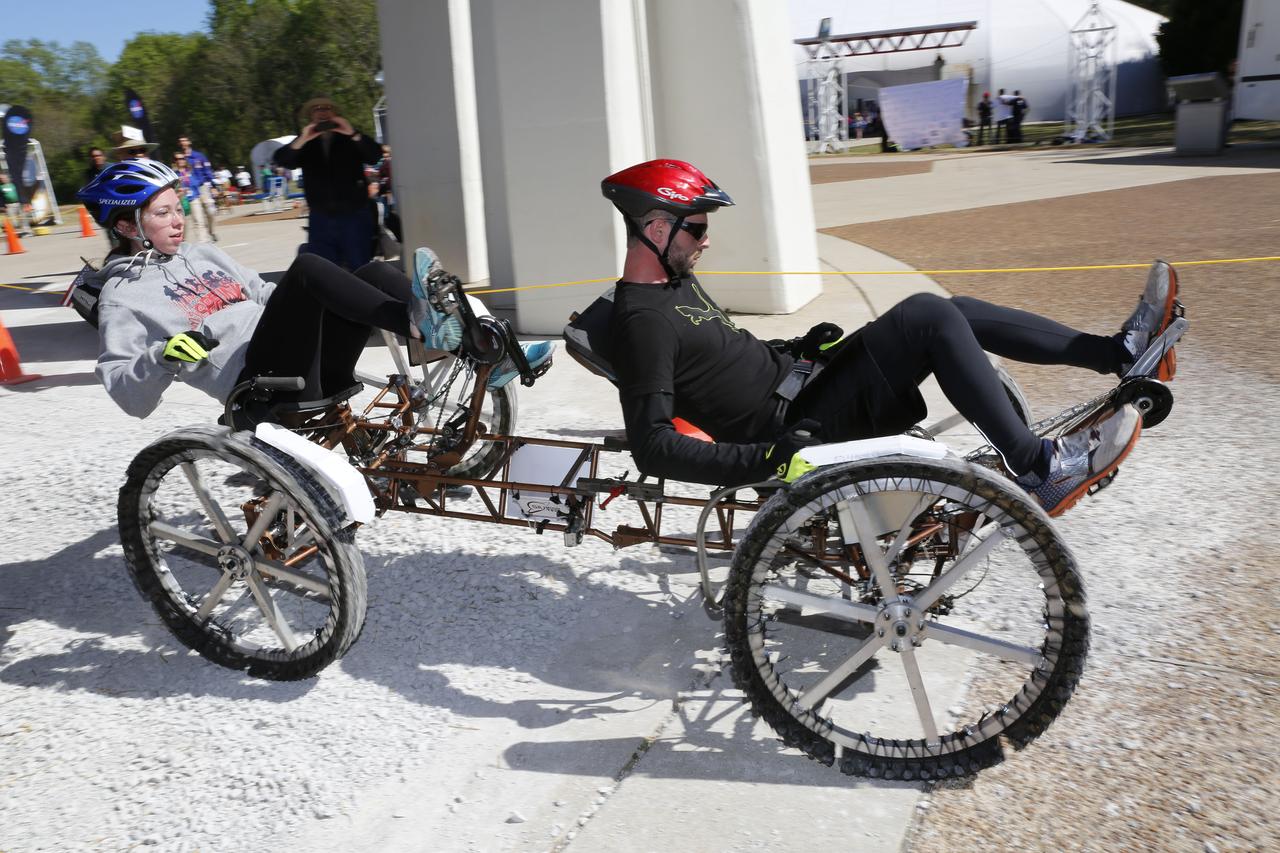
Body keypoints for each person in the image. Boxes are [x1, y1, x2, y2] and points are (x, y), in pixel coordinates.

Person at [596, 160, 1180, 517]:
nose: (705, 240)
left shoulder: (678, 284)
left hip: (806, 387)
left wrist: (798, 347)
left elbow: (723, 362)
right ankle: (1038, 468)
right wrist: (767, 460)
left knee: (954, 310)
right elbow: (652, 445)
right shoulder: (643, 322)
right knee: (926, 316)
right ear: (654, 227)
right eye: (696, 227)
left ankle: (1118, 353)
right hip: (794, 430)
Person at [75, 159, 547, 420]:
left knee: (373, 273)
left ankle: (485, 349)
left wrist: (307, 301)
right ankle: (419, 324)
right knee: (307, 269)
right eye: (162, 213)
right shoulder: (123, 297)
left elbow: (261, 296)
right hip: (259, 389)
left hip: (306, 361)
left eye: (178, 208)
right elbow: (125, 393)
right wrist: (162, 357)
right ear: (126, 224)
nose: (178, 220)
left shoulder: (202, 257)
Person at [273, 96, 383, 269]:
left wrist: (353, 133)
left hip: (354, 215)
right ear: (311, 116)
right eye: (316, 109)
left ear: (335, 113)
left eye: (327, 108)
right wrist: (303, 138)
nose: (322, 112)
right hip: (321, 217)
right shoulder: (305, 143)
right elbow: (282, 160)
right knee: (326, 271)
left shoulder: (350, 138)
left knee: (360, 266)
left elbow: (375, 155)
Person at [178, 135, 218, 241]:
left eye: (184, 141)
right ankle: (202, 239)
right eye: (180, 142)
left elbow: (208, 171)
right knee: (196, 216)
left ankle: (211, 231)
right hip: (189, 190)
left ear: (189, 142)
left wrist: (213, 186)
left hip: (202, 186)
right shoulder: (180, 158)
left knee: (210, 211)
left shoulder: (199, 156)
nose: (182, 143)